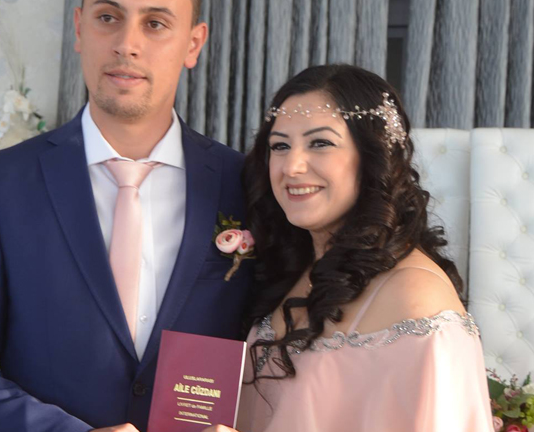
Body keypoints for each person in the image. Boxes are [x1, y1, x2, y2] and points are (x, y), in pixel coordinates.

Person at [0, 0, 252, 431]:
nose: (126, 44)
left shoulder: (246, 185)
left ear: (193, 43)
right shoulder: (2, 183)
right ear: (78, 28)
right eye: (108, 17)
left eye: (155, 24)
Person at [207, 64, 493, 431]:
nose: (291, 167)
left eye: (320, 143)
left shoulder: (414, 297)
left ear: (373, 154)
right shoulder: (297, 268)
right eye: (280, 146)